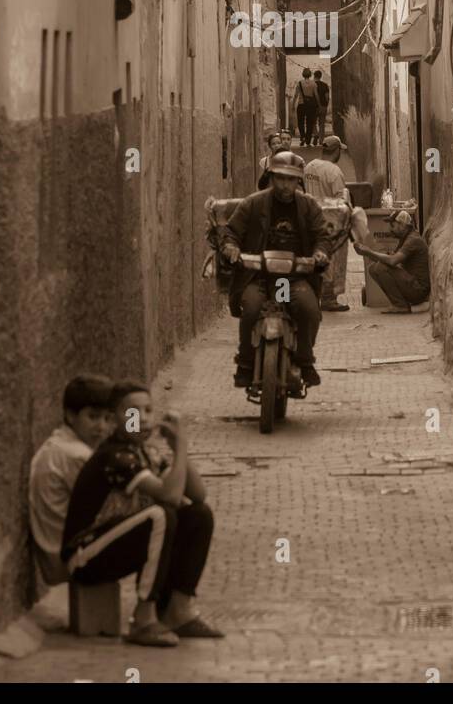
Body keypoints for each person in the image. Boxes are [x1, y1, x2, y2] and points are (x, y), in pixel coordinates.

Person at [61, 381, 223, 646]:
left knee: (198, 515)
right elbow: (169, 495)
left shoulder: (144, 452)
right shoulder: (115, 456)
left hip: (114, 544)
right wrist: (180, 446)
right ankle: (144, 618)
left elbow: (198, 494)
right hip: (84, 556)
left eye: (149, 411)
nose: (145, 419)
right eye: (134, 413)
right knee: (160, 514)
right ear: (114, 420)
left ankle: (178, 611)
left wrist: (177, 447)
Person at [220, 151, 330, 388]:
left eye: (291, 179)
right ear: (271, 177)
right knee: (250, 309)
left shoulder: (309, 206)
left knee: (309, 310)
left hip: (294, 278)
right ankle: (246, 362)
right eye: (280, 178)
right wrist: (231, 248)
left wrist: (320, 253)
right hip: (257, 276)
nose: (285, 185)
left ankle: (305, 360)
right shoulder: (253, 203)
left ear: (298, 181)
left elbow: (322, 235)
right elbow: (231, 232)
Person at [29, 374, 116, 586]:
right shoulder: (75, 455)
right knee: (161, 517)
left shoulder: (59, 443)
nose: (101, 427)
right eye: (93, 417)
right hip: (65, 559)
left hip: (59, 551)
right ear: (70, 415)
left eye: (107, 418)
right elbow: (110, 509)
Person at [303, 135, 351, 311]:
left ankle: (315, 295)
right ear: (336, 150)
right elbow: (340, 200)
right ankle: (329, 299)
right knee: (333, 260)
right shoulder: (334, 171)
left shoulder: (309, 166)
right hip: (330, 222)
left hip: (311, 218)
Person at [357, 208, 432, 313]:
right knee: (373, 268)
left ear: (402, 225)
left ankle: (400, 305)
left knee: (380, 268)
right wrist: (365, 252)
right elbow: (390, 258)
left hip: (419, 290)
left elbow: (392, 261)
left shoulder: (413, 240)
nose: (390, 229)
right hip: (413, 285)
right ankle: (399, 303)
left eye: (393, 225)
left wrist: (369, 252)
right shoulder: (405, 238)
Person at [292, 68, 319, 146]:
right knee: (309, 123)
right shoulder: (313, 84)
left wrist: (293, 105)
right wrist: (318, 104)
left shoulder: (299, 83)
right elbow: (316, 95)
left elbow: (296, 95)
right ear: (310, 75)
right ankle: (308, 140)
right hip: (310, 106)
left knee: (300, 122)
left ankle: (302, 137)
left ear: (303, 74)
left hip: (301, 104)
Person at [311, 69, 330, 144]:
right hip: (323, 106)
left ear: (314, 76)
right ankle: (321, 140)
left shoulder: (311, 85)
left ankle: (315, 134)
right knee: (322, 124)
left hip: (313, 107)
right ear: (321, 76)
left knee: (313, 122)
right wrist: (326, 104)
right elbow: (327, 97)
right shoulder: (325, 85)